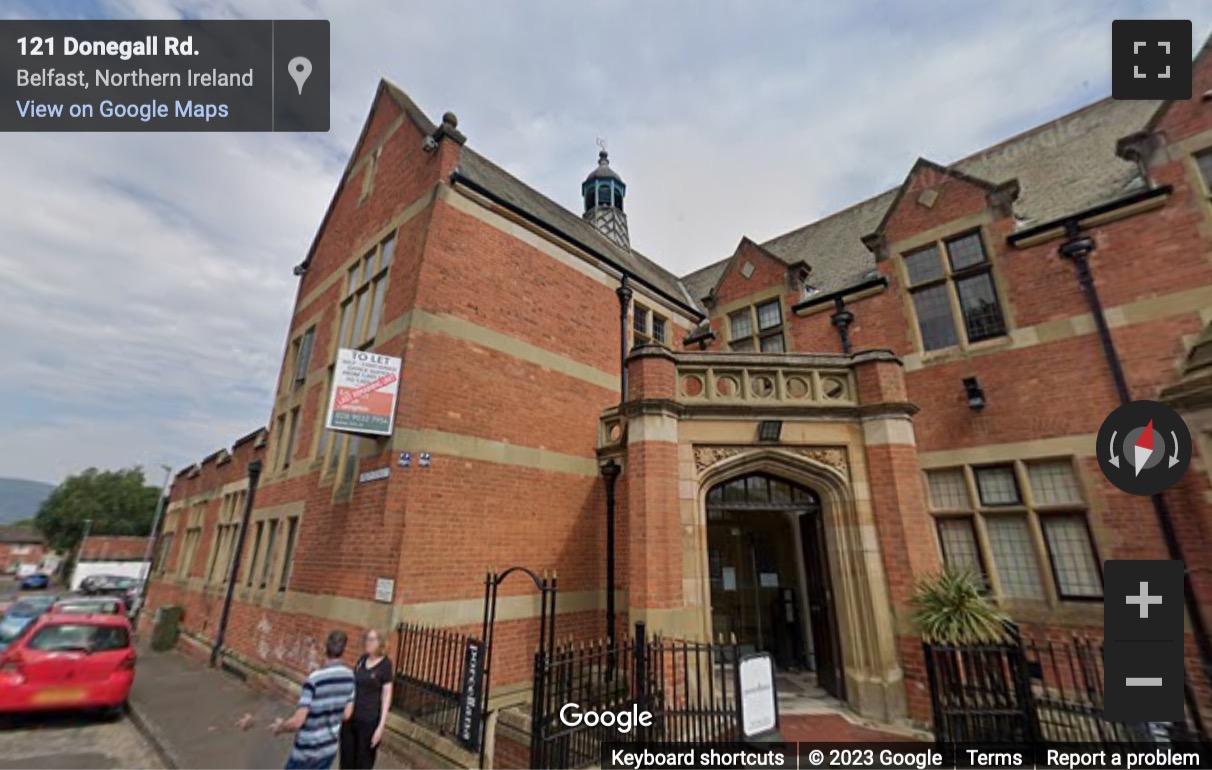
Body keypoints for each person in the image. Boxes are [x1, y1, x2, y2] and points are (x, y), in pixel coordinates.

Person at [271, 630, 356, 770]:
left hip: (307, 751)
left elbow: (298, 721)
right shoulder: (350, 677)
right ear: (343, 650)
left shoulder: (314, 679)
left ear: (325, 647)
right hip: (329, 749)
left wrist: (281, 727)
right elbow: (347, 714)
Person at [340, 629, 395, 769]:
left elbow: (386, 695)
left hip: (369, 722)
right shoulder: (362, 660)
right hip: (351, 718)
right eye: (367, 639)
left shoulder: (385, 665)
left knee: (363, 763)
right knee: (346, 760)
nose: (367, 643)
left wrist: (381, 727)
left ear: (380, 643)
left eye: (372, 640)